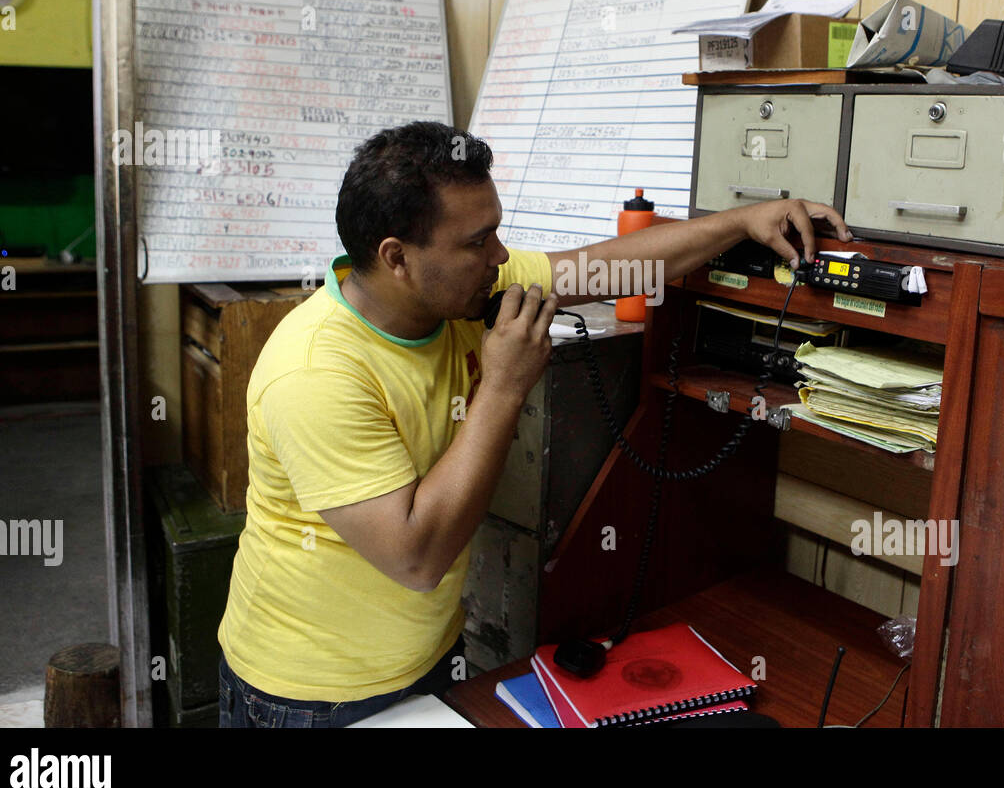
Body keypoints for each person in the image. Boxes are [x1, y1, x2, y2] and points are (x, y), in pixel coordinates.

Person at [216, 120, 850, 727]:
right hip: (312, 697)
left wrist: (741, 221)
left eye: (496, 233)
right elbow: (417, 558)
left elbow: (606, 266)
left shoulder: (454, 290)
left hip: (423, 660)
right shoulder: (316, 373)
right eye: (476, 243)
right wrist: (505, 383)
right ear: (396, 258)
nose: (499, 256)